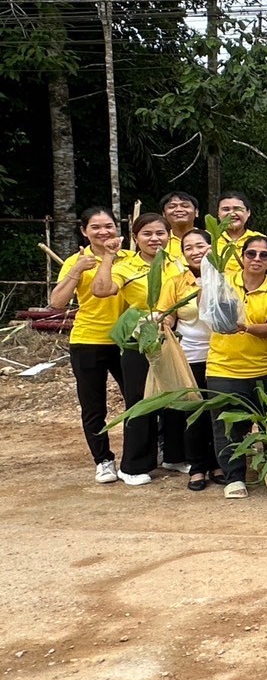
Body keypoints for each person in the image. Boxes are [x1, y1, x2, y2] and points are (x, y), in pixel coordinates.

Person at [91, 212, 180, 486]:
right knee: (140, 400)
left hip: (172, 338)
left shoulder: (176, 264)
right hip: (138, 339)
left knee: (175, 395)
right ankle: (133, 465)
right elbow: (102, 290)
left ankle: (174, 456)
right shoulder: (126, 266)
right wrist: (108, 257)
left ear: (169, 236)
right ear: (136, 238)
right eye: (147, 234)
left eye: (160, 233)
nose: (155, 239)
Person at [51, 207, 129, 484]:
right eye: (95, 227)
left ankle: (136, 455)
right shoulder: (77, 260)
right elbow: (57, 303)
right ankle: (104, 460)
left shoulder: (129, 258)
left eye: (108, 225)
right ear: (84, 231)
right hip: (88, 340)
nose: (103, 231)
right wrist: (76, 271)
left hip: (127, 341)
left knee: (136, 400)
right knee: (94, 406)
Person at [204, 233, 267, 499]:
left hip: (265, 368)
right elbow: (208, 310)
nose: (257, 259)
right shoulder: (224, 283)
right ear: (242, 257)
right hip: (224, 367)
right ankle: (234, 478)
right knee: (227, 427)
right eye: (251, 253)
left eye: (264, 255)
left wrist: (245, 327)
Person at [160, 229, 221, 489]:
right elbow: (168, 315)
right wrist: (162, 322)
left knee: (217, 413)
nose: (195, 252)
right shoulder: (175, 282)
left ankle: (218, 463)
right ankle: (197, 467)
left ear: (212, 247)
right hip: (190, 356)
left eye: (200, 246)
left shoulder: (226, 277)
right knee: (195, 414)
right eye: (188, 248)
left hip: (223, 356)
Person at [214, 191, 261, 275]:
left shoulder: (260, 239)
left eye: (237, 209)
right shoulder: (209, 238)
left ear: (248, 212)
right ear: (218, 213)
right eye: (226, 209)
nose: (232, 214)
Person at [160, 190, 200, 263]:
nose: (179, 210)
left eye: (185, 206)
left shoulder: (210, 239)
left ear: (196, 212)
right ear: (164, 214)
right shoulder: (159, 241)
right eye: (172, 207)